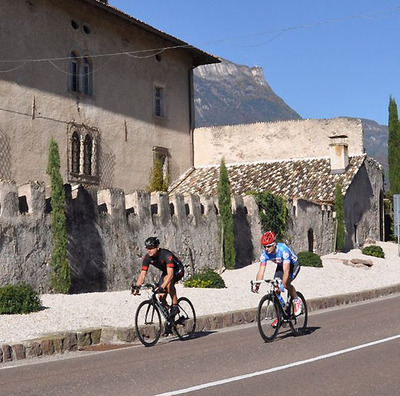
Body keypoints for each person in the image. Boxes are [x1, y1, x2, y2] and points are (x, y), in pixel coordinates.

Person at [131, 236, 184, 335]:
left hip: (177, 270)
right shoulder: (147, 258)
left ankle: (175, 306)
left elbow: (171, 275)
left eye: (151, 248)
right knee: (161, 296)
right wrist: (137, 287)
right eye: (147, 248)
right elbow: (143, 274)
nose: (149, 251)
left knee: (168, 285)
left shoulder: (166, 255)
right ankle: (170, 319)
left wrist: (162, 286)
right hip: (166, 272)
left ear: (157, 248)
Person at [252, 231, 302, 323]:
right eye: (264, 246)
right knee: (275, 286)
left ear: (274, 244)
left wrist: (283, 283)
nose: (266, 249)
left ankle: (296, 300)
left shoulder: (283, 249)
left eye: (269, 246)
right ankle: (282, 312)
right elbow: (261, 271)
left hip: (292, 265)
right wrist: (257, 284)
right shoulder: (264, 255)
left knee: (286, 284)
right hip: (281, 265)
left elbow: (286, 270)